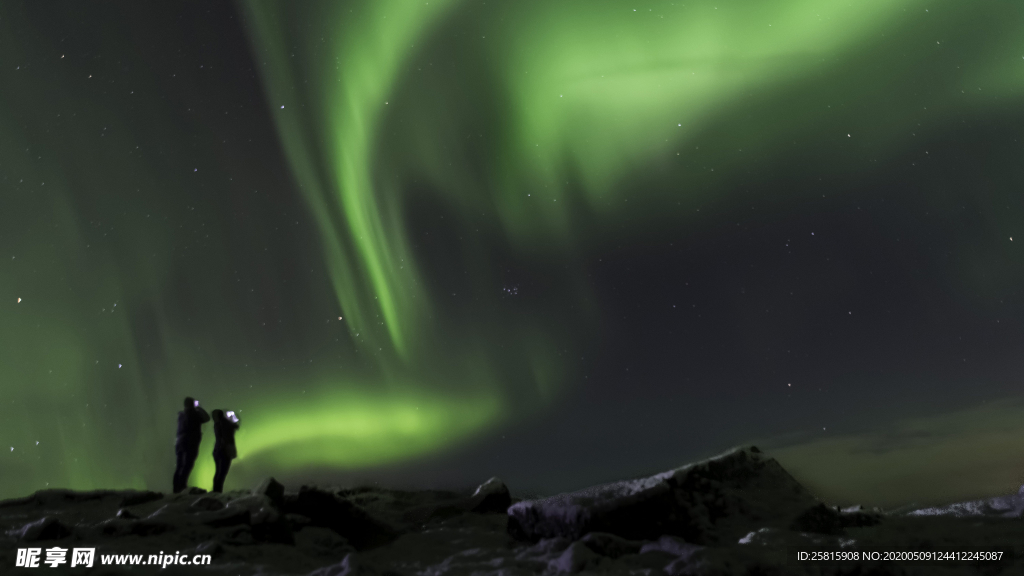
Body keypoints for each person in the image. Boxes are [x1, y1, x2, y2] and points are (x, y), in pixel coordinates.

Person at [173, 396, 210, 493]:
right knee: (188, 464)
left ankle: (176, 488)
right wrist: (199, 408)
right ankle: (182, 486)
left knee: (180, 465)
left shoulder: (181, 415)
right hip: (191, 443)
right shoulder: (195, 414)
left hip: (180, 442)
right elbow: (207, 418)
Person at [211, 409, 240, 493]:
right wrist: (233, 417)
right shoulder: (226, 423)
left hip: (218, 450)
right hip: (225, 451)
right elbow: (236, 426)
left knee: (218, 472)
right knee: (222, 473)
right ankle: (217, 491)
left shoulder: (217, 424)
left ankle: (216, 491)